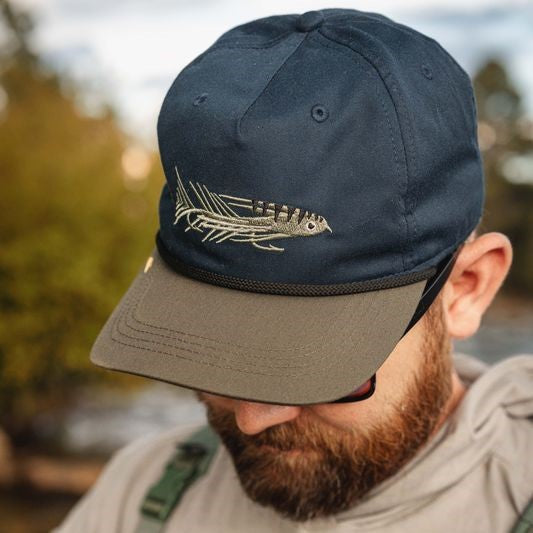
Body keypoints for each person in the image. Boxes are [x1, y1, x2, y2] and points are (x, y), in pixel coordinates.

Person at [53, 8, 533, 533]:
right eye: (212, 354)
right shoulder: (142, 491)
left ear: (467, 289)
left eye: (318, 367)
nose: (252, 419)